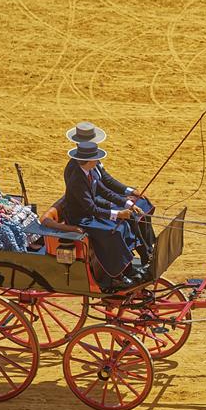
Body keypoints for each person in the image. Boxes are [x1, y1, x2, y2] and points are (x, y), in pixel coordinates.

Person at [62, 141, 144, 289]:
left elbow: (105, 192)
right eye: (96, 158)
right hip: (81, 220)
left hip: (89, 214)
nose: (98, 160)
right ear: (89, 160)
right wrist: (118, 213)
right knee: (113, 233)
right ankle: (116, 277)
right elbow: (91, 208)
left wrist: (129, 204)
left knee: (123, 226)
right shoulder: (77, 180)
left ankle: (127, 267)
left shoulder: (90, 172)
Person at [66, 121, 156, 253]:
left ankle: (149, 247)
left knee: (140, 204)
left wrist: (128, 201)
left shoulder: (88, 165)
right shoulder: (76, 172)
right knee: (122, 225)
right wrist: (118, 212)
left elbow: (105, 184)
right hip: (90, 209)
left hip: (96, 203)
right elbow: (90, 203)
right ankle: (141, 255)